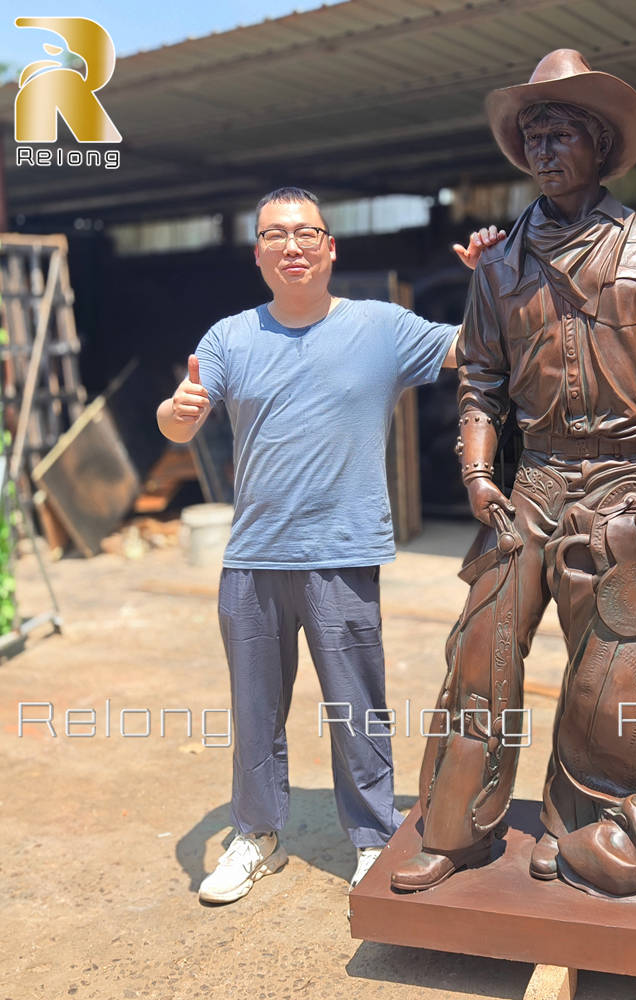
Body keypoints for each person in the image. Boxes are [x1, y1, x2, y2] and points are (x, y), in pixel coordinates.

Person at [390, 50, 636, 893]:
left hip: (634, 485)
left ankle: (582, 823)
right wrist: (479, 474)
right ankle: (455, 828)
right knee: (480, 653)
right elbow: (481, 384)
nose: (541, 147)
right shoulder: (498, 266)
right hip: (531, 487)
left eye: (559, 130)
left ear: (601, 145)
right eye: (531, 133)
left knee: (612, 673)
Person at [156, 186, 503, 903]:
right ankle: (256, 836)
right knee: (255, 711)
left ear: (330, 247)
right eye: (276, 234)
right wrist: (177, 411)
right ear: (258, 253)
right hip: (253, 558)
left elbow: (478, 346)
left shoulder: (380, 328)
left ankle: (373, 838)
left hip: (342, 553)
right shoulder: (230, 337)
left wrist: (495, 277)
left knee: (356, 708)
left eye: (307, 232)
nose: (293, 245)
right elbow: (180, 419)